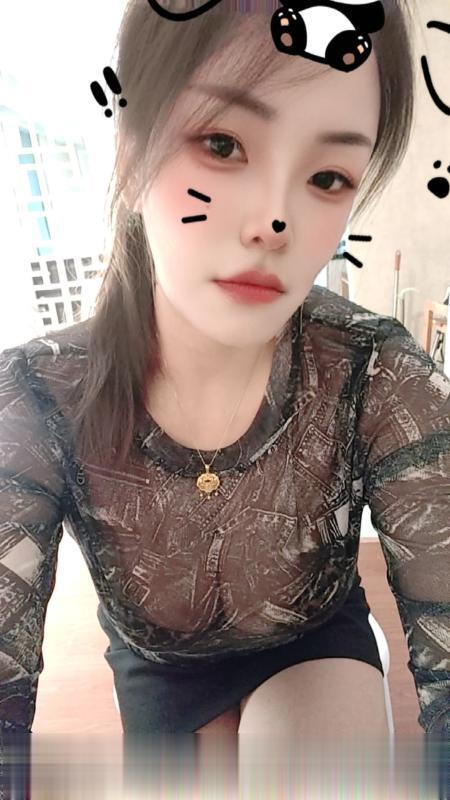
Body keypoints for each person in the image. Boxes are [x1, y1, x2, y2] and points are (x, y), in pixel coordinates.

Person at [0, 0, 448, 748]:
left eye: (328, 176)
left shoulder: (377, 374)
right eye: (222, 143)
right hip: (160, 665)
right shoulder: (37, 397)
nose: (273, 221)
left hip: (312, 636)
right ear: (130, 152)